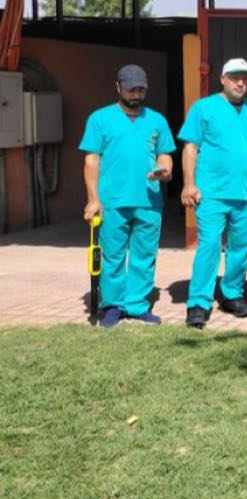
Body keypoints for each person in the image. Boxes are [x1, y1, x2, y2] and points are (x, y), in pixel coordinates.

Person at [79, 64, 175, 328]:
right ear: (118, 87)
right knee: (112, 255)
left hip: (149, 200)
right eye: (131, 89)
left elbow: (165, 154)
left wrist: (165, 170)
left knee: (145, 254)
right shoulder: (100, 119)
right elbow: (91, 160)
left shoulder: (157, 120)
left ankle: (137, 305)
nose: (136, 94)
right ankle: (112, 305)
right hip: (112, 200)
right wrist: (93, 199)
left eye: (141, 89)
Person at [179, 58, 247, 329]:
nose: (241, 83)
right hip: (211, 193)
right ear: (223, 79)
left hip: (245, 194)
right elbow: (190, 148)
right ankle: (198, 302)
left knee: (240, 247)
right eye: (235, 78)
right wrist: (189, 184)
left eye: (245, 79)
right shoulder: (203, 108)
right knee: (209, 245)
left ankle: (232, 295)